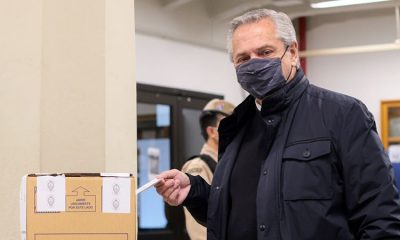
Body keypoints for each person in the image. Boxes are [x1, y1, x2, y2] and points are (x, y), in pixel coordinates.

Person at [155, 9, 400, 240]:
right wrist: (196, 192)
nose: (254, 63)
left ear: (292, 52)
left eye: (265, 52)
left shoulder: (343, 115)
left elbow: (380, 217)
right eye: (243, 58)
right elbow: (246, 214)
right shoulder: (235, 128)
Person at [182, 98, 235, 240]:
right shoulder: (199, 167)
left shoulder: (227, 162)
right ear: (212, 131)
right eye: (229, 124)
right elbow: (200, 229)